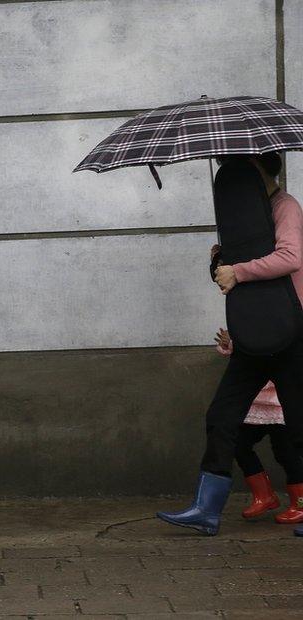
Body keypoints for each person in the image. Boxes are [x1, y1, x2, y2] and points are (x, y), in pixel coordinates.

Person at [156, 152, 303, 536]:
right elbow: (235, 277)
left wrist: (237, 270)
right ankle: (207, 509)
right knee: (221, 417)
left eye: (235, 167)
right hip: (253, 336)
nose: (228, 173)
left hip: (290, 332)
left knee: (299, 424)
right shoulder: (242, 216)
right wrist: (222, 262)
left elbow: (290, 257)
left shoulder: (284, 206)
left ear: (256, 169)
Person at [214, 327, 303, 522]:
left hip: (282, 400)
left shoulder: (287, 316)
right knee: (238, 443)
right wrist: (230, 342)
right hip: (253, 399)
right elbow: (245, 350)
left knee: (286, 452)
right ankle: (264, 495)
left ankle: (300, 502)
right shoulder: (251, 316)